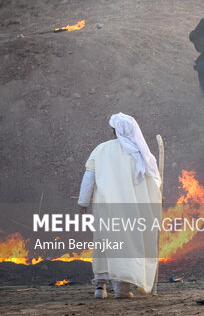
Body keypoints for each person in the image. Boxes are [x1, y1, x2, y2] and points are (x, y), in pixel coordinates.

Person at [78, 113, 162, 298]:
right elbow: (150, 183)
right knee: (126, 245)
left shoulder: (101, 149)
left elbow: (89, 177)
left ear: (113, 131)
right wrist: (157, 197)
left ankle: (100, 287)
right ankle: (122, 289)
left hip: (106, 208)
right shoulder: (139, 153)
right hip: (131, 209)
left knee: (104, 243)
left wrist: (83, 202)